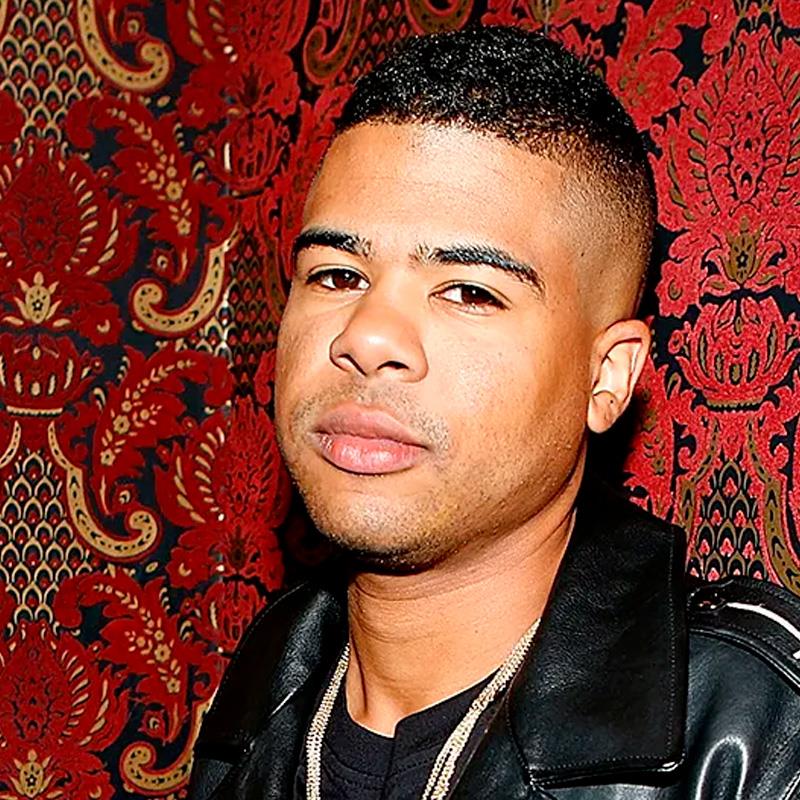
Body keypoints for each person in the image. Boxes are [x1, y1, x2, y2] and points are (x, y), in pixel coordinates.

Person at [189, 25, 800, 800]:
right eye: (338, 275)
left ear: (607, 377)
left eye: (470, 291)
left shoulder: (754, 733)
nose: (366, 338)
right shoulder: (258, 701)